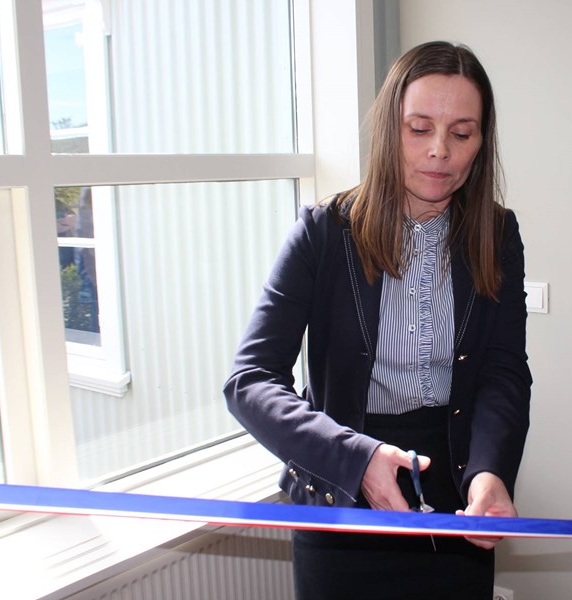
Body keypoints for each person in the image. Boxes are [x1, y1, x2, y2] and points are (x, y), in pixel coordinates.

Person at [224, 40, 532, 600]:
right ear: (390, 129)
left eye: (462, 133)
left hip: (453, 499)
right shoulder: (321, 233)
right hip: (340, 494)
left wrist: (490, 471)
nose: (439, 151)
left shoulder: (499, 235)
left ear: (481, 143)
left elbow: (503, 371)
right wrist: (356, 458)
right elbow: (250, 382)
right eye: (420, 128)